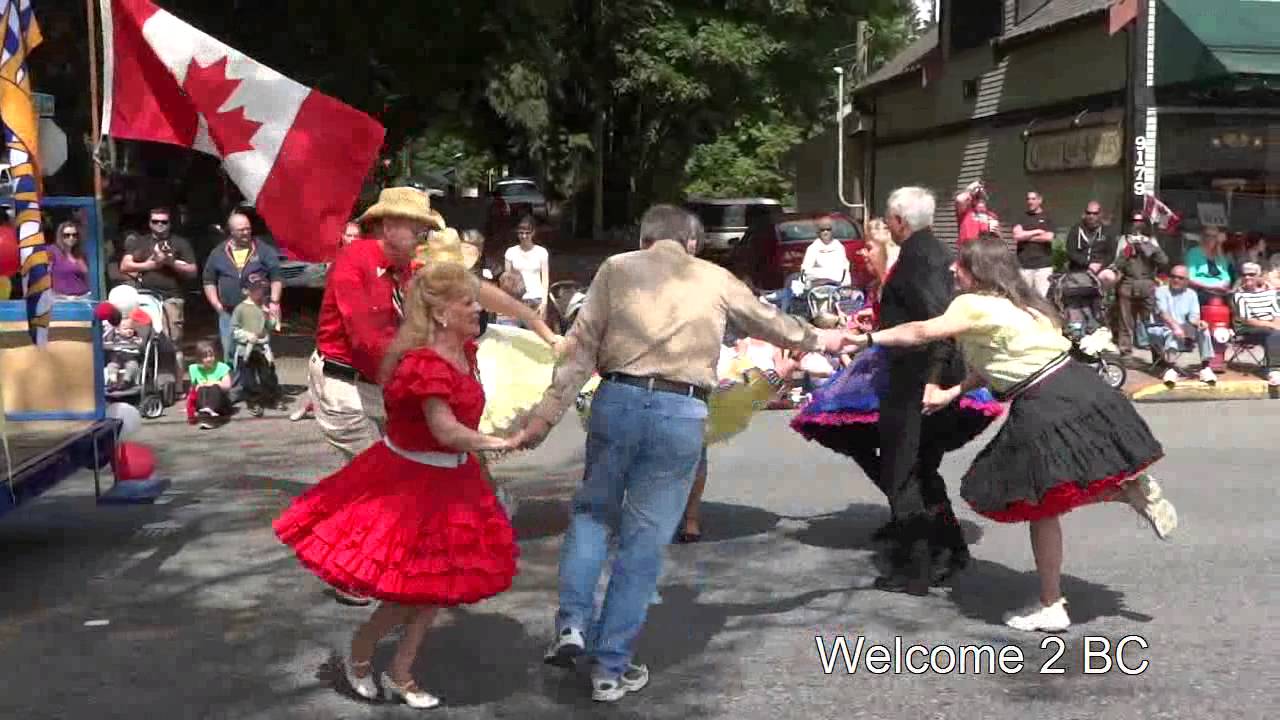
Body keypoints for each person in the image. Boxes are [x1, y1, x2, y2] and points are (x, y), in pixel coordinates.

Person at [512, 204, 849, 703]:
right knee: (644, 542)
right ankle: (610, 667)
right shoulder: (713, 277)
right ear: (692, 243)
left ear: (645, 238)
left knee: (592, 515)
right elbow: (769, 321)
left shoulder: (616, 269)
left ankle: (572, 626)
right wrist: (824, 336)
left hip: (617, 399)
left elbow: (581, 346)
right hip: (680, 409)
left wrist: (544, 417)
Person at [845, 234, 1178, 632]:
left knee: (1032, 497)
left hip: (1046, 400)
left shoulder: (972, 303)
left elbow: (921, 331)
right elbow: (997, 362)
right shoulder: (1026, 305)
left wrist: (867, 339)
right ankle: (1054, 598)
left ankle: (1113, 509)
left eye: (961, 263)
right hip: (1080, 388)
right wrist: (953, 390)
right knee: (1045, 502)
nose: (953, 269)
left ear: (978, 270)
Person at [274, 261, 520, 709]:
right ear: (442, 313)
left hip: (453, 477)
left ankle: (402, 671)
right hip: (408, 481)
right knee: (410, 587)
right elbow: (444, 429)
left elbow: (458, 429)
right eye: (468, 302)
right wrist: (497, 440)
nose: (476, 310)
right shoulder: (424, 363)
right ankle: (363, 650)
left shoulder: (468, 352)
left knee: (436, 587)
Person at [790, 218, 1003, 552]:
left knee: (908, 461)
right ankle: (913, 520)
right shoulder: (887, 281)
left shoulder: (905, 276)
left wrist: (933, 381)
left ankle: (926, 534)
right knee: (880, 451)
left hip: (912, 376)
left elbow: (930, 329)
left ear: (889, 246)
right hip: (889, 371)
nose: (863, 252)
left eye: (870, 246)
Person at [868, 187, 974, 596]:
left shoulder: (919, 258)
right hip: (920, 375)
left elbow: (939, 323)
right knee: (922, 470)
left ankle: (915, 570)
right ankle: (951, 549)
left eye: (888, 219)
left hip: (918, 380)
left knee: (903, 473)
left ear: (898, 220)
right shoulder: (934, 251)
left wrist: (932, 380)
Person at [202, 209, 283, 363]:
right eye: (241, 230)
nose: (246, 232)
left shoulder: (263, 250)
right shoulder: (218, 252)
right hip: (229, 311)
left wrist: (274, 302)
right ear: (231, 231)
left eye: (248, 228)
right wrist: (217, 305)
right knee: (230, 352)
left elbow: (276, 277)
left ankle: (260, 384)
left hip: (257, 310)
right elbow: (208, 280)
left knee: (258, 351)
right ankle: (235, 386)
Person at [122, 206, 198, 367]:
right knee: (144, 339)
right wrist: (151, 265)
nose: (159, 225)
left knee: (174, 343)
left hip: (172, 298)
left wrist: (171, 262)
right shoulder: (141, 242)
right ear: (150, 223)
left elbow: (193, 270)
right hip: (145, 298)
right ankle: (150, 377)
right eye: (155, 221)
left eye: (164, 222)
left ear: (170, 223)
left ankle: (177, 388)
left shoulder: (180, 242)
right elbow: (125, 265)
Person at [1109, 213, 1168, 355]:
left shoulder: (1152, 240)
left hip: (1147, 284)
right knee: (1125, 320)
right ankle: (1125, 350)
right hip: (1128, 283)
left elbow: (1164, 261)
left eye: (1140, 221)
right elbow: (1118, 265)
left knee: (1152, 321)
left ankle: (1157, 353)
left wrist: (1148, 246)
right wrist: (1128, 250)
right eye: (1134, 221)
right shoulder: (1124, 239)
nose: (1137, 224)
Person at [1148, 266, 1217, 385]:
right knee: (1173, 333)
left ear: (1187, 281)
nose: (1176, 280)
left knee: (1204, 331)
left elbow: (1193, 316)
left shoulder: (1191, 294)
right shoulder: (1161, 291)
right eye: (1173, 276)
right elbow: (1163, 313)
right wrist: (1176, 327)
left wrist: (1199, 323)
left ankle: (1205, 367)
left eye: (1180, 278)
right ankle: (1171, 368)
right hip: (1160, 326)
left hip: (1183, 327)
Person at [232, 276, 283, 416]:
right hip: (245, 350)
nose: (259, 291)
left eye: (261, 288)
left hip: (262, 349)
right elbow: (234, 331)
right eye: (255, 288)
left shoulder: (263, 307)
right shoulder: (240, 309)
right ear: (245, 291)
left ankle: (272, 398)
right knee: (248, 379)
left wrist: (271, 318)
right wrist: (248, 336)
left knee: (268, 375)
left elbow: (270, 326)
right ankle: (253, 402)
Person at [1233, 262, 1280, 387]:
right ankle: (1274, 370)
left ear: (1259, 276)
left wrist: (1276, 325)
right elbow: (1247, 319)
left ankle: (1273, 368)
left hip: (1270, 329)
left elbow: (1276, 314)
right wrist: (1271, 325)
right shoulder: (1239, 295)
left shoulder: (1270, 293)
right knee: (1273, 333)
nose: (1247, 277)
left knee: (1275, 333)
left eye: (1251, 274)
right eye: (1244, 274)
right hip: (1248, 329)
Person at [504, 215, 550, 322]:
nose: (524, 236)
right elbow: (508, 280)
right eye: (521, 232)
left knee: (536, 337)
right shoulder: (510, 252)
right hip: (517, 301)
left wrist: (544, 303)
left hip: (536, 299)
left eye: (527, 233)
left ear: (533, 233)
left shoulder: (541, 252)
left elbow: (545, 280)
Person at [1012, 191, 1055, 297]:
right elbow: (1017, 236)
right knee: (1024, 297)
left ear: (1040, 200)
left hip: (1043, 265)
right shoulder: (1022, 217)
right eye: (1028, 199)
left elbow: (1048, 237)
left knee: (1042, 297)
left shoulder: (1047, 217)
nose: (1030, 202)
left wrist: (1025, 236)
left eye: (1033, 199)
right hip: (1024, 265)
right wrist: (1036, 231)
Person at [189, 340, 233, 429]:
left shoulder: (222, 367)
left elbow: (227, 386)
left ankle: (210, 411)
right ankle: (205, 411)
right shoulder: (194, 368)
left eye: (211, 356)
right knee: (202, 388)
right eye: (205, 357)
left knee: (214, 387)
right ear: (200, 358)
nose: (209, 359)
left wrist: (215, 382)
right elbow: (192, 391)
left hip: (221, 403)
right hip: (202, 401)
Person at [1185, 224, 1234, 305]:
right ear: (1203, 237)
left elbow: (1226, 276)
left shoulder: (1220, 255)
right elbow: (1190, 278)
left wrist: (1224, 284)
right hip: (1201, 290)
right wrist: (1212, 287)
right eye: (1207, 235)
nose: (1210, 239)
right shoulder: (1194, 253)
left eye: (1214, 236)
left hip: (1220, 290)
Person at [49, 221, 91, 299]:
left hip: (83, 297)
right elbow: (45, 275)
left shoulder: (80, 254)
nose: (71, 238)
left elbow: (87, 276)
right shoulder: (53, 251)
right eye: (67, 235)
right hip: (62, 299)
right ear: (60, 236)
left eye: (74, 235)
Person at [954, 181, 1001, 245]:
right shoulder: (965, 212)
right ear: (971, 199)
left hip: (984, 252)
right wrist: (969, 189)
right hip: (967, 252)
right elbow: (959, 199)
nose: (980, 198)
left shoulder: (992, 216)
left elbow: (998, 239)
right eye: (977, 197)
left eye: (982, 197)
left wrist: (997, 233)